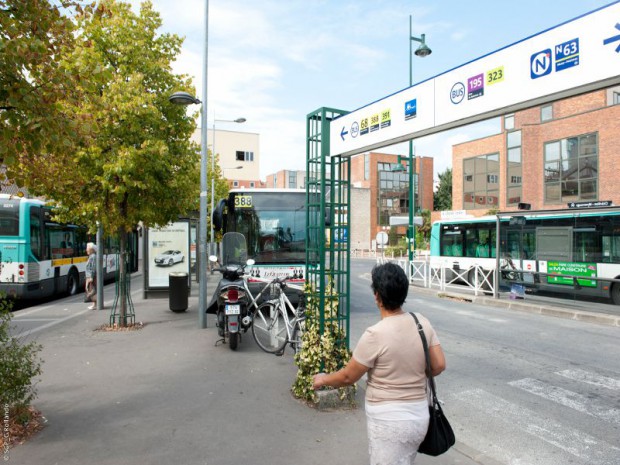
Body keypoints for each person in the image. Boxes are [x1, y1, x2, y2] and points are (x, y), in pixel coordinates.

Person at [312, 262, 446, 465]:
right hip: (419, 418)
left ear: (377, 296)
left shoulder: (375, 334)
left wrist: (323, 379)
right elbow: (438, 365)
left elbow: (349, 376)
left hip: (389, 422)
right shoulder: (421, 322)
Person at [85, 242, 97, 310]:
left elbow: (93, 267)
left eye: (87, 248)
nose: (86, 250)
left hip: (91, 276)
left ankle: (95, 304)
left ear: (91, 249)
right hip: (90, 276)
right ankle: (94, 304)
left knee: (92, 290)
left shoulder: (93, 257)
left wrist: (91, 277)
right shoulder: (91, 256)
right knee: (91, 290)